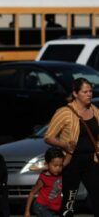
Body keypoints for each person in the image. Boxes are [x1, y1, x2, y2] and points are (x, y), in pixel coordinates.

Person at [45, 77, 99, 217]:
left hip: (92, 161)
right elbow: (48, 137)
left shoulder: (95, 110)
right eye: (85, 91)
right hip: (72, 161)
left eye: (90, 91)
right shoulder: (64, 112)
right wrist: (64, 144)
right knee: (69, 201)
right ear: (75, 93)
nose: (89, 94)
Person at [24, 147, 64, 217]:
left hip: (52, 208)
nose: (58, 168)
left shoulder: (60, 174)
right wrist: (27, 211)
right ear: (47, 164)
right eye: (55, 165)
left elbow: (68, 159)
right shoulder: (44, 178)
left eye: (60, 166)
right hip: (41, 207)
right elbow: (32, 193)